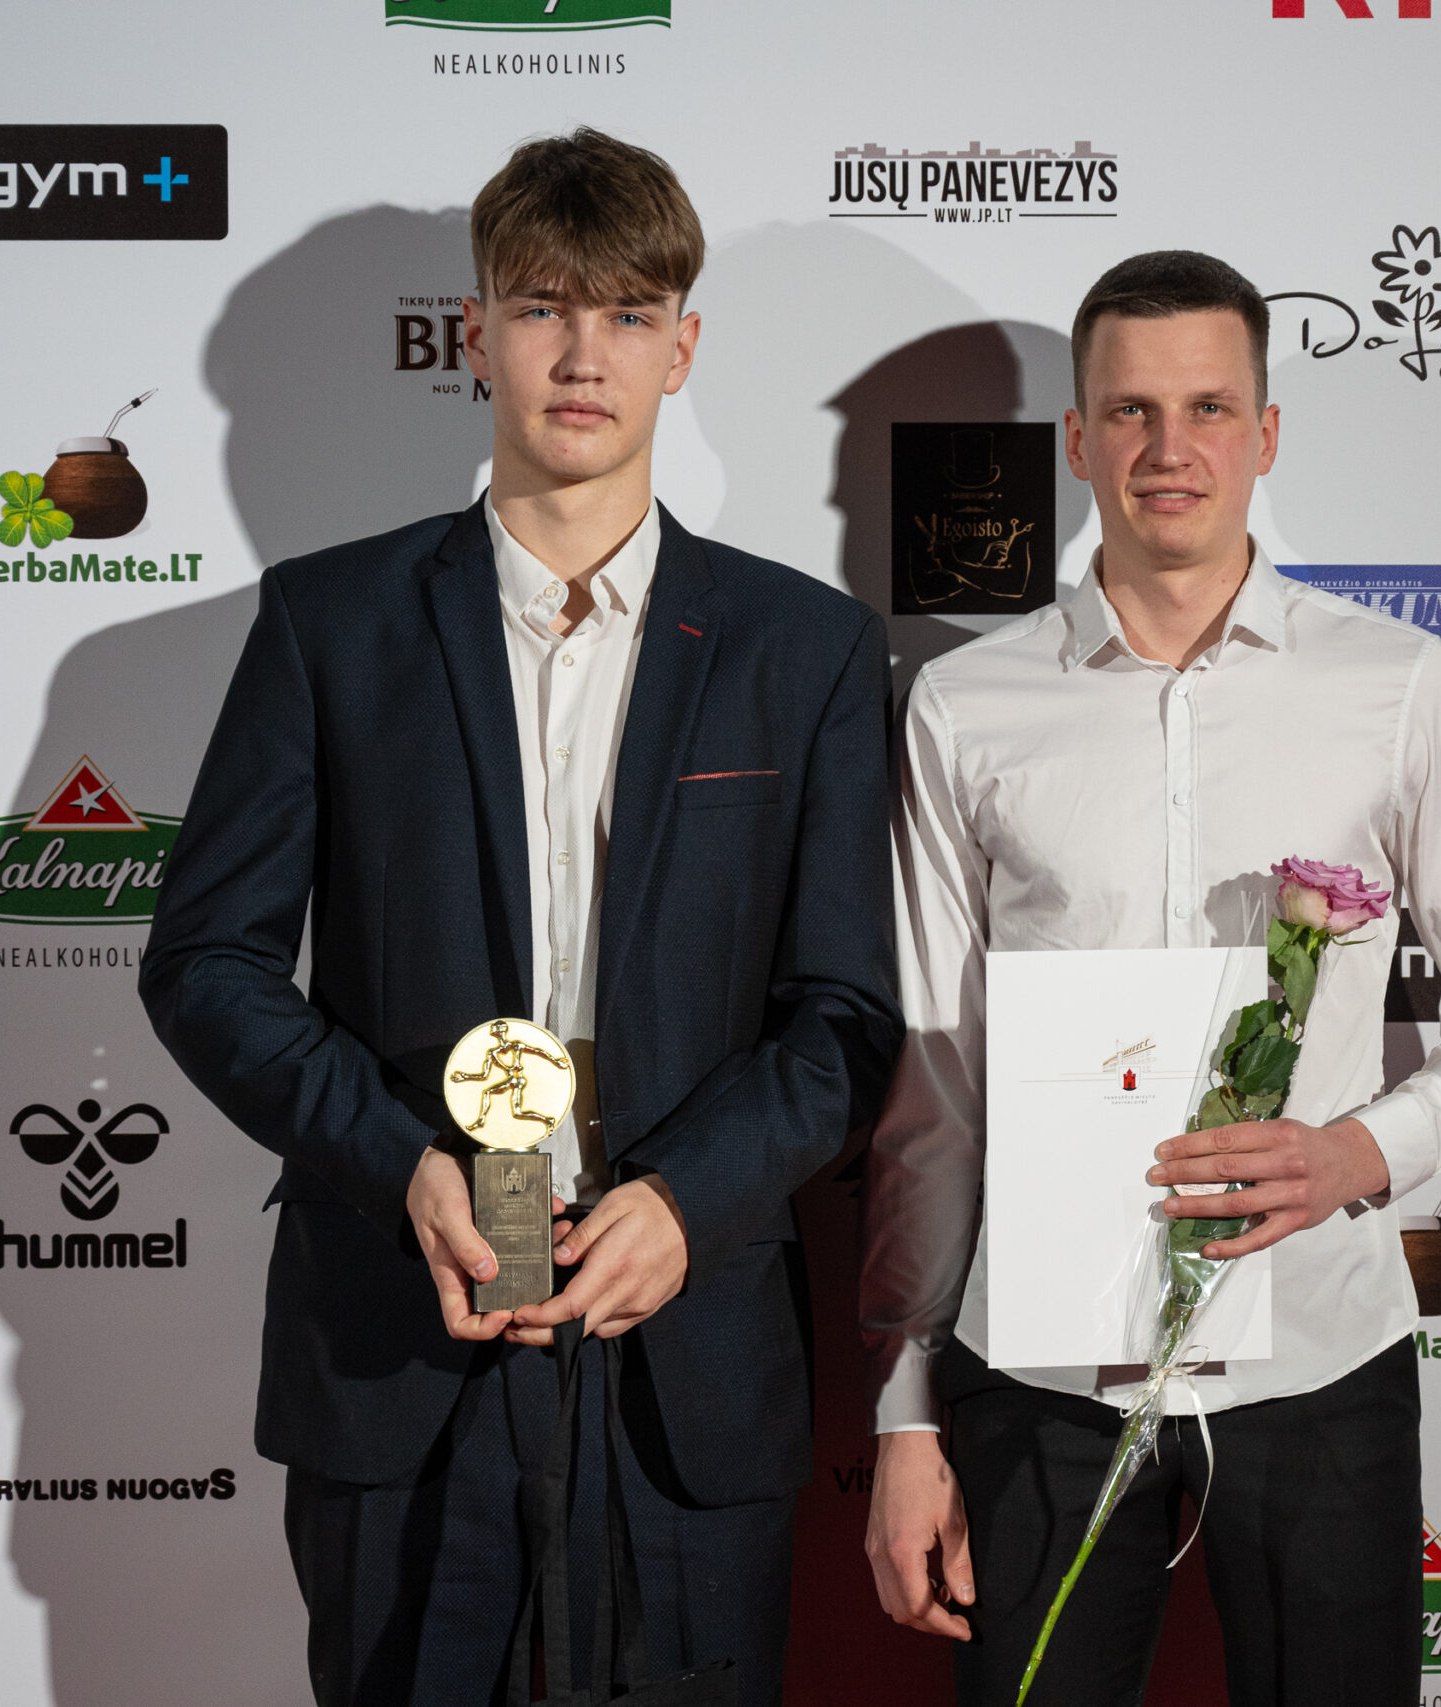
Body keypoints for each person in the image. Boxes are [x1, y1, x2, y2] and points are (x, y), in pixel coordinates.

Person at [140, 127, 900, 1707]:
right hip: (403, 1323)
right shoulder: (331, 621)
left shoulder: (805, 645)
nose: (582, 353)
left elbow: (843, 1014)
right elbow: (208, 962)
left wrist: (685, 1199)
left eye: (628, 312)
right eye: (543, 306)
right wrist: (400, 1162)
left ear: (683, 346)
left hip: (687, 1336)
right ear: (475, 334)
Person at [858, 250, 1441, 1706]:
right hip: (1040, 1369)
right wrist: (907, 1407)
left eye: (1208, 408)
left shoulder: (1399, 686)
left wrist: (1358, 1151)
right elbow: (936, 1082)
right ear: (1076, 439)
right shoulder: (965, 705)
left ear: (1266, 432)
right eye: (1129, 410)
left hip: (1320, 1353)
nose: (1168, 448)